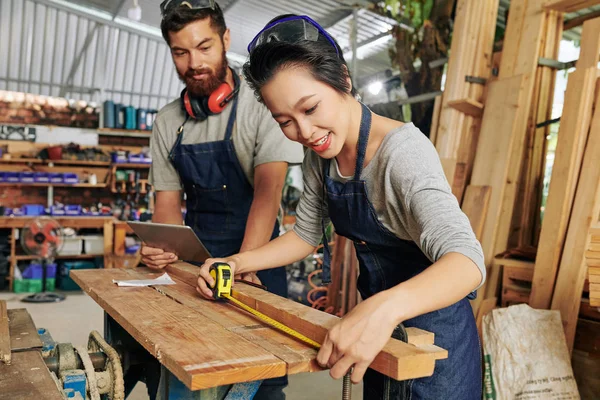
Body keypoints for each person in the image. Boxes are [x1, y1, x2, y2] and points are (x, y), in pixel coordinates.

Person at [195, 14, 486, 400]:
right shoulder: (322, 154)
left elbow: (467, 260)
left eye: (311, 108)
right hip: (380, 336)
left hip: (436, 346)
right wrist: (236, 263)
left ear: (344, 80)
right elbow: (304, 234)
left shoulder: (401, 153)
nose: (304, 131)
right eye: (285, 120)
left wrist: (381, 310)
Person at [122, 2, 303, 399]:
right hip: (193, 270)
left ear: (225, 40)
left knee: (259, 381)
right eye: (180, 52)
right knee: (182, 367)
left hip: (256, 264)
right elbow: (167, 205)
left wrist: (243, 265)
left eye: (204, 47)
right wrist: (163, 248)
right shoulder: (169, 121)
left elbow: (267, 195)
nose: (194, 62)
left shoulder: (262, 105)